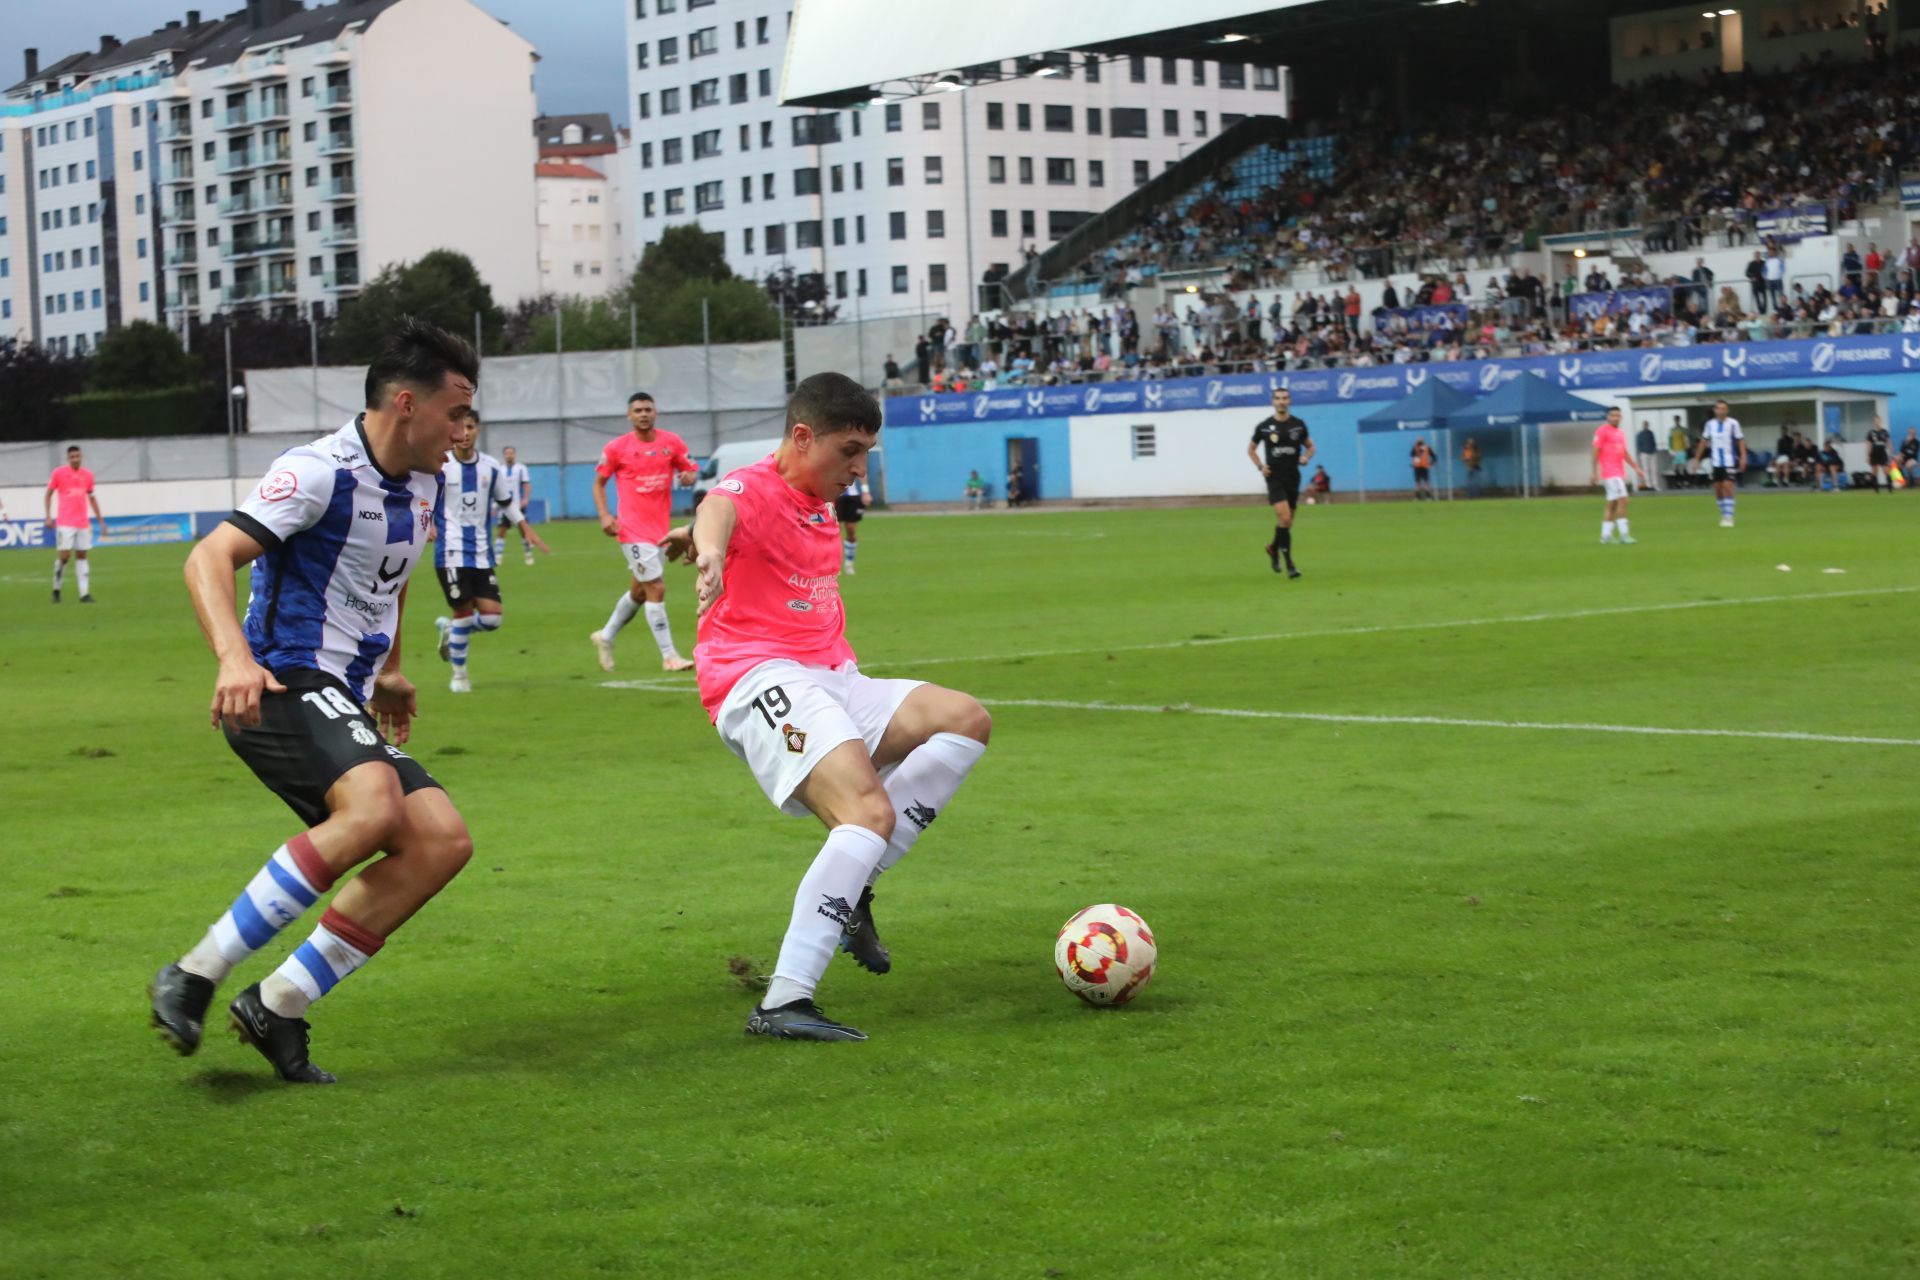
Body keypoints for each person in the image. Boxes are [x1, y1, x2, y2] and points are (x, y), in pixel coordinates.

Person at [149, 319, 480, 1085]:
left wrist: (391, 669)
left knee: (442, 841)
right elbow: (209, 557)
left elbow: (385, 584)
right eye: (455, 412)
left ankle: (280, 1003)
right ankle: (194, 973)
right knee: (373, 809)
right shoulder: (316, 471)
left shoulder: (427, 481)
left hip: (343, 698)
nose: (464, 430)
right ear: (406, 403)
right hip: (280, 682)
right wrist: (234, 659)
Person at [680, 372, 991, 1041]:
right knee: (867, 812)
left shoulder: (821, 498)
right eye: (849, 450)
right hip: (759, 678)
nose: (858, 468)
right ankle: (784, 1001)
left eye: (865, 454)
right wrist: (707, 549)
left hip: (833, 677)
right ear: (802, 436)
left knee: (966, 720)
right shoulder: (755, 484)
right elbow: (720, 506)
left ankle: (856, 885)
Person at [433, 414, 550, 692]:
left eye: (470, 427)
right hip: (450, 552)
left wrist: (524, 526)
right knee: (463, 610)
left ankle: (452, 630)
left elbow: (506, 501)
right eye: (460, 427)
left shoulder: (490, 467)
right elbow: (420, 496)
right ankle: (459, 675)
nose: (465, 432)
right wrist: (423, 522)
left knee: (492, 618)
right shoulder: (440, 465)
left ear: (477, 431)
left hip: (482, 554)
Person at [590, 392, 698, 673]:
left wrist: (688, 477)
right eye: (637, 410)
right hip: (631, 530)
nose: (643, 414)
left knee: (639, 592)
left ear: (656, 412)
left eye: (648, 409)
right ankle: (669, 656)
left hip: (660, 531)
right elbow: (599, 483)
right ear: (629, 415)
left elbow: (690, 471)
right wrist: (604, 514)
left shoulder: (671, 443)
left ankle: (606, 636)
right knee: (656, 588)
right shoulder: (617, 448)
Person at [1246, 386, 1314, 578]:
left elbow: (1310, 446)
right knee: (1284, 518)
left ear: (1289, 401)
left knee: (1287, 522)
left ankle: (1274, 548)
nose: (1281, 401)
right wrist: (1261, 467)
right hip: (1274, 477)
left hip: (1293, 477)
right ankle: (1290, 565)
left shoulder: (1298, 425)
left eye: (1285, 398)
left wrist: (1306, 457)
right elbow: (1251, 449)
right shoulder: (1264, 426)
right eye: (1278, 398)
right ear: (1273, 402)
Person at [45, 445, 103, 603]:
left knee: (82, 556)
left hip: (82, 522)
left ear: (81, 456)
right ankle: (56, 589)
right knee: (64, 557)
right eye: (72, 457)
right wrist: (48, 516)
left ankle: (84, 594)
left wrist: (100, 520)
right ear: (68, 458)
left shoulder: (88, 475)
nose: (75, 459)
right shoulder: (59, 473)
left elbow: (92, 497)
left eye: (77, 456)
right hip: (65, 522)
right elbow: (48, 494)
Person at [1591, 406, 1645, 544]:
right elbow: (1595, 452)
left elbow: (1624, 453)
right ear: (1608, 417)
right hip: (1610, 473)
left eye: (1618, 415)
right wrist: (1594, 472)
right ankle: (1624, 534)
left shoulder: (1620, 433)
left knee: (1612, 504)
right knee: (1624, 500)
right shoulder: (1602, 431)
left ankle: (1606, 536)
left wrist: (1636, 468)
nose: (1615, 417)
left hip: (1618, 472)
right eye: (1613, 415)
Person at [1692, 399, 1746, 526]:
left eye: (1723, 409)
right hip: (1715, 462)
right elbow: (1703, 442)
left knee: (1728, 487)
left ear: (1727, 410)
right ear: (1715, 410)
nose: (1721, 411)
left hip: (1729, 460)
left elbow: (1740, 440)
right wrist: (1697, 459)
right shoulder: (1709, 425)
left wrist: (1743, 457)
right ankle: (1723, 513)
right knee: (1718, 489)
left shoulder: (1733, 423)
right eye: (1718, 408)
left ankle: (1729, 517)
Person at [494, 444, 534, 566]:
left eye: (511, 453)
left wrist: (525, 499)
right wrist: (494, 505)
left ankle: (528, 554)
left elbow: (526, 485)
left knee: (523, 530)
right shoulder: (499, 469)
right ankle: (498, 556)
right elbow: (496, 488)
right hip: (504, 506)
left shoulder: (521, 468)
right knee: (502, 530)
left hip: (518, 505)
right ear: (504, 455)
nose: (509, 455)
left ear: (514, 454)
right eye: (506, 453)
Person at [836, 475, 871, 574]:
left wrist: (866, 491)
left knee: (851, 529)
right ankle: (835, 565)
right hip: (835, 496)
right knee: (835, 530)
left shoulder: (853, 459)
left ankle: (849, 563)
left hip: (853, 496)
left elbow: (862, 473)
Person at [1865, 415, 1892, 491]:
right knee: (1874, 471)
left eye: (1878, 421)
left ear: (1880, 422)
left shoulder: (1884, 432)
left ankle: (1890, 487)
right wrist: (1868, 456)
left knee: (1886, 470)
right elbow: (1868, 445)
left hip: (1882, 453)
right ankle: (1876, 489)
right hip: (1874, 453)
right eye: (1875, 421)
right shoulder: (1870, 433)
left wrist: (1890, 453)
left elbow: (1888, 443)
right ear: (1874, 422)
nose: (1877, 422)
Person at [1634, 421, 1659, 492]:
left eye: (1647, 425)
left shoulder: (1651, 433)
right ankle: (1649, 485)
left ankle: (1655, 485)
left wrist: (1654, 450)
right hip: (1644, 453)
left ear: (1648, 425)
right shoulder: (1640, 434)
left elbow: (1654, 442)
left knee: (1654, 470)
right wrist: (1640, 452)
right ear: (1643, 425)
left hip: (1652, 453)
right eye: (1645, 425)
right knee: (1646, 470)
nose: (1646, 426)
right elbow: (1638, 444)